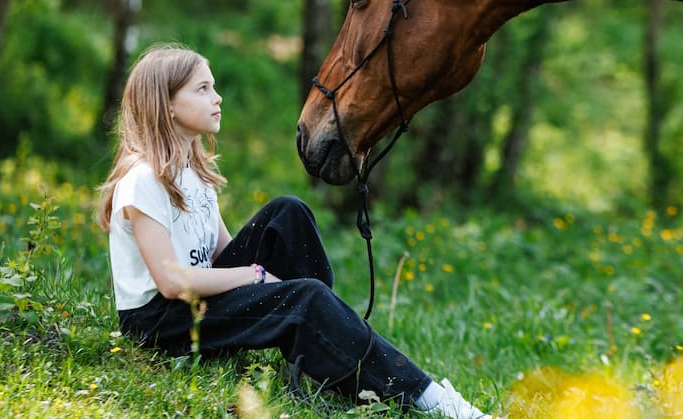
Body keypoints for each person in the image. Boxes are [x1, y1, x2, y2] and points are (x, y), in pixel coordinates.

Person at [97, 43, 495, 419]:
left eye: (214, 87)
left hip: (193, 304)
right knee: (303, 297)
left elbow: (220, 256)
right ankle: (429, 398)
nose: (217, 98)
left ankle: (325, 340)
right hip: (161, 324)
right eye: (202, 89)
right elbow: (170, 282)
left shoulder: (194, 173)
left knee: (288, 213)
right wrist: (257, 277)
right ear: (166, 106)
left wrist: (263, 283)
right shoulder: (144, 179)